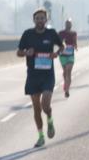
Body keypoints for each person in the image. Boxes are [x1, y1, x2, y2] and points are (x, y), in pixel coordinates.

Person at [17, 9, 64, 148]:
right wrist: (26, 52)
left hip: (47, 74)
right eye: (37, 18)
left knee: (45, 105)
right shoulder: (27, 34)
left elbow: (62, 46)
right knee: (36, 109)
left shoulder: (51, 33)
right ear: (34, 20)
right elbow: (18, 52)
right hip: (33, 75)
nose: (40, 20)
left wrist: (56, 54)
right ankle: (41, 136)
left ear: (46, 20)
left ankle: (49, 118)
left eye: (42, 18)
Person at [57, 19, 78, 98]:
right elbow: (58, 42)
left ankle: (67, 90)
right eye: (67, 24)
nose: (68, 25)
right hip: (62, 55)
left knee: (68, 72)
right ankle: (65, 83)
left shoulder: (74, 33)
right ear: (65, 25)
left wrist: (75, 46)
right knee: (65, 72)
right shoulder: (61, 33)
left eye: (69, 24)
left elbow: (75, 42)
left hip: (70, 55)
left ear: (71, 25)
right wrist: (61, 43)